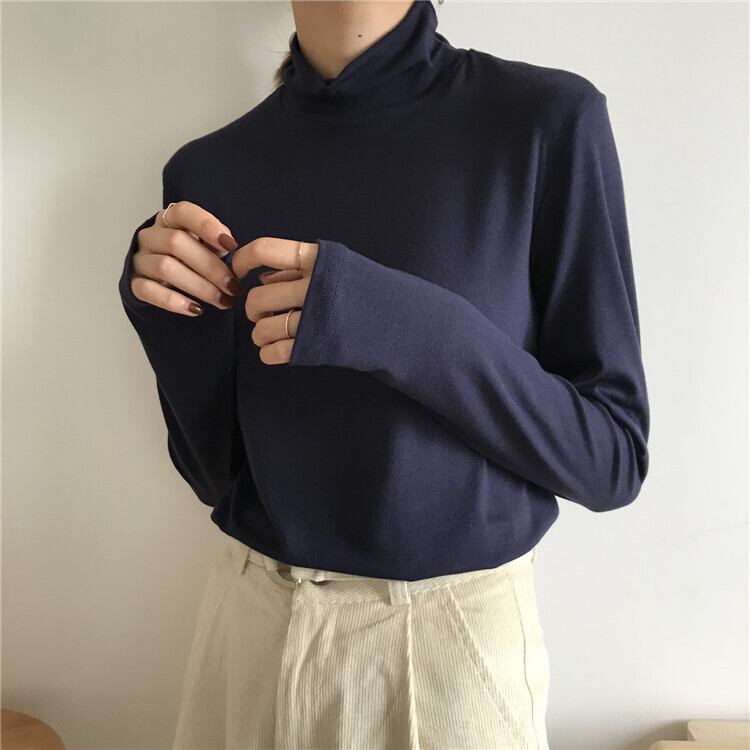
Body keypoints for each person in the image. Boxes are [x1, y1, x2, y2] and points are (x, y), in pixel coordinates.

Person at [117, 1, 650, 748]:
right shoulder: (207, 171)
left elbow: (611, 458)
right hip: (252, 630)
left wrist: (400, 324)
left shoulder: (543, 123)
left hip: (448, 652)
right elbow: (222, 479)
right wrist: (167, 320)